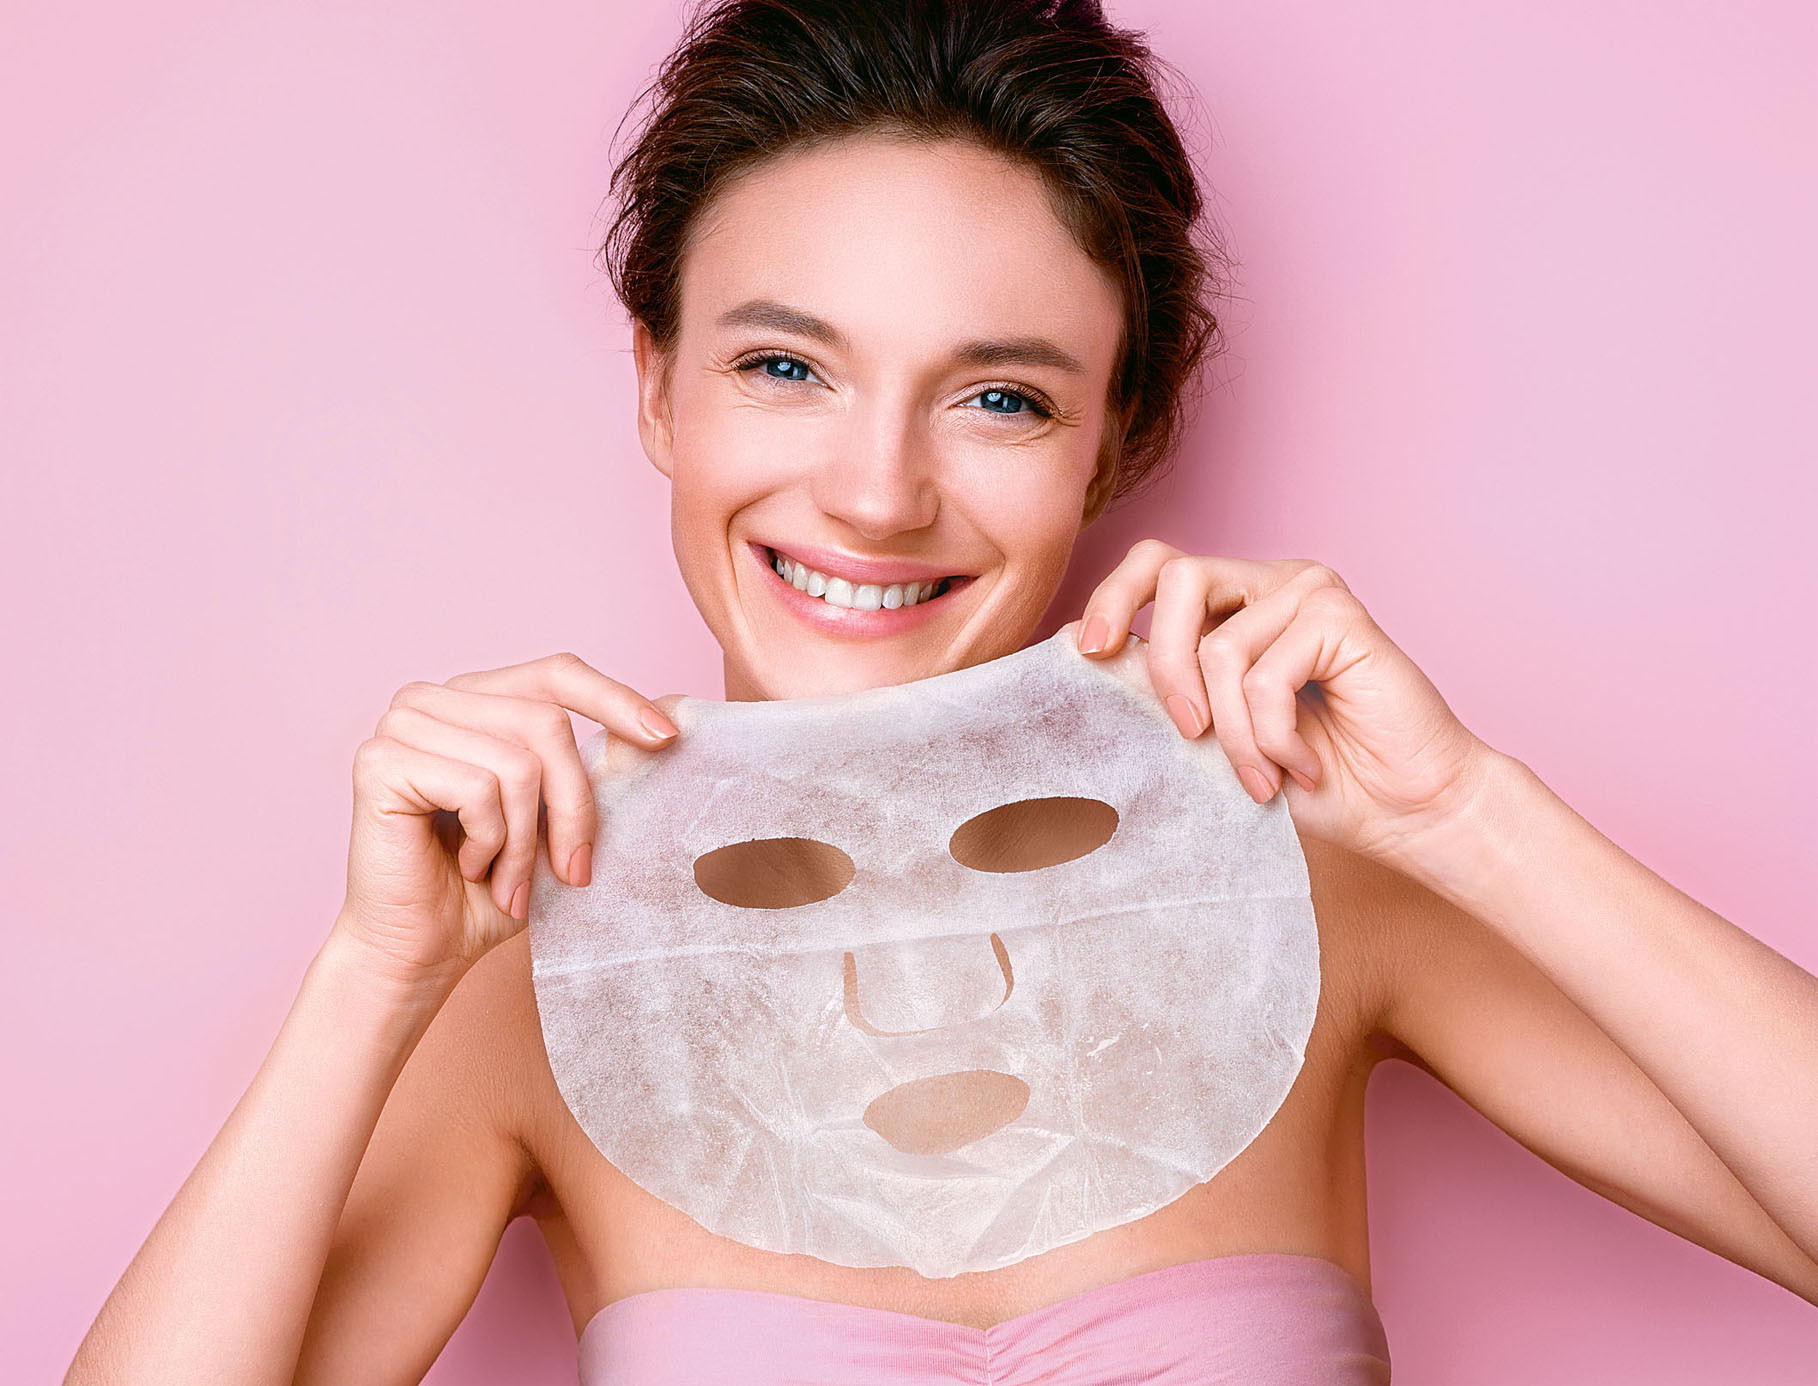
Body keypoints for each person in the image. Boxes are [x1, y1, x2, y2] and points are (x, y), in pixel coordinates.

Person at [66, 0, 1818, 1381]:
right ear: (658, 386)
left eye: (999, 399)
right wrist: (370, 977)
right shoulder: (532, 953)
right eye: (784, 366)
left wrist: (1469, 815)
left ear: (1111, 443)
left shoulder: (1303, 865)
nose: (877, 494)